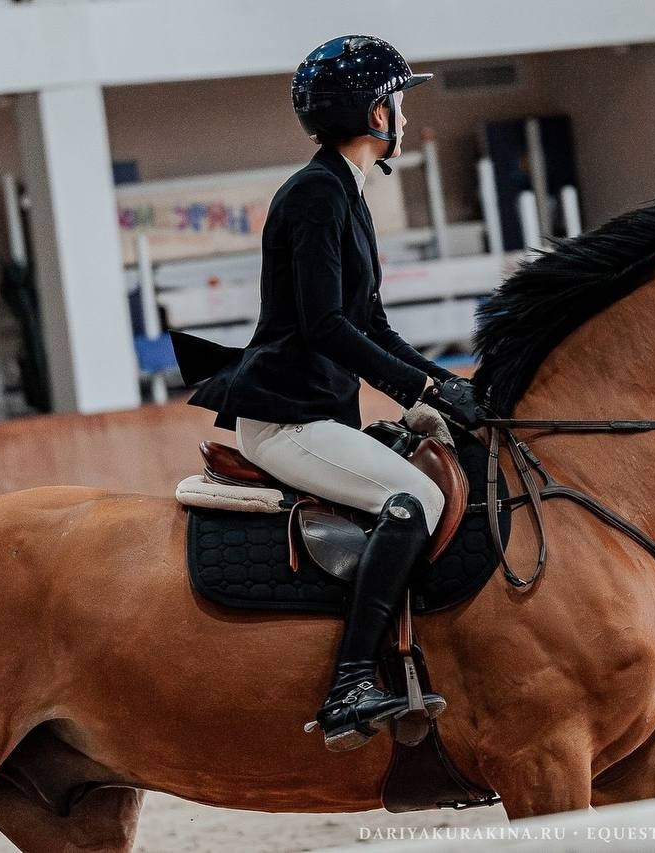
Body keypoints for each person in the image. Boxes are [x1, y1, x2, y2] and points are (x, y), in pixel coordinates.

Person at [170, 35, 481, 752]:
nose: (404, 115)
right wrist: (416, 390)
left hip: (316, 411)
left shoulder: (347, 191)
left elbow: (372, 324)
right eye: (398, 102)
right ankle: (349, 683)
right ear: (376, 113)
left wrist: (443, 386)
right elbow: (325, 325)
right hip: (286, 419)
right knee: (415, 499)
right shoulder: (316, 195)